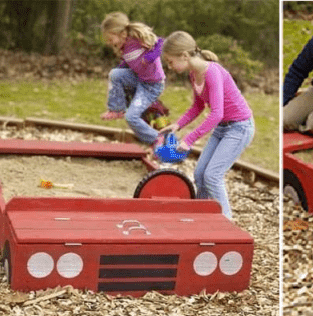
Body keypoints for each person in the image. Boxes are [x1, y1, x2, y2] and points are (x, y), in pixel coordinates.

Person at [159, 31, 255, 220]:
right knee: (200, 173)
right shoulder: (194, 75)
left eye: (170, 62)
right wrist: (177, 126)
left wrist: (190, 139)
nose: (169, 67)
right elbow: (197, 106)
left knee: (213, 176)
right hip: (222, 128)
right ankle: (200, 216)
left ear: (184, 56)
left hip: (239, 127)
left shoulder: (213, 72)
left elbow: (217, 113)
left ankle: (226, 222)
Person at [100, 12, 165, 146]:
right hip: (139, 79)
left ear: (118, 32)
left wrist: (150, 57)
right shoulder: (124, 47)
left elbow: (161, 43)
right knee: (115, 73)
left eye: (110, 38)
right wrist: (121, 69)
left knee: (131, 117)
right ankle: (117, 109)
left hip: (152, 85)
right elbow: (129, 61)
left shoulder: (136, 38)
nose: (108, 42)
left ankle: (157, 138)